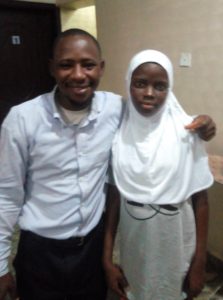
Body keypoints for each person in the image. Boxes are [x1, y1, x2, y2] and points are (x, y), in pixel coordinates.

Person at [0, 29, 216, 300]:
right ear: (51, 68)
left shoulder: (116, 109)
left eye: (88, 65)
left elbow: (159, 115)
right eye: (66, 64)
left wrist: (203, 123)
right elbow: (5, 196)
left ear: (101, 68)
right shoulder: (22, 120)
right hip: (40, 252)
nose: (78, 75)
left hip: (91, 249)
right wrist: (0, 267)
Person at [103, 50, 214, 300]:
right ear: (128, 83)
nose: (150, 93)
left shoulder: (188, 132)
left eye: (160, 86)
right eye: (140, 83)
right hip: (134, 245)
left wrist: (200, 261)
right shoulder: (119, 134)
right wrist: (107, 258)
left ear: (170, 88)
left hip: (176, 243)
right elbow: (113, 200)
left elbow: (201, 201)